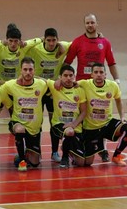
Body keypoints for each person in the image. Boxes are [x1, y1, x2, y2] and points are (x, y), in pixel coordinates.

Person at [63, 13, 120, 162]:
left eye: (92, 22)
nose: (90, 25)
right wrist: (63, 79)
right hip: (82, 86)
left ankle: (103, 150)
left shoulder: (105, 42)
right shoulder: (77, 42)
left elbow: (112, 63)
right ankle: (75, 146)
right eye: (87, 23)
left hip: (100, 86)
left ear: (97, 24)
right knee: (82, 115)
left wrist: (117, 80)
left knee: (101, 116)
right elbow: (67, 62)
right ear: (84, 25)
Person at [27, 28, 71, 163]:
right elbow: (24, 45)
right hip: (39, 90)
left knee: (54, 122)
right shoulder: (36, 49)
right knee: (36, 122)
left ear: (58, 40)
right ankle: (36, 151)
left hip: (54, 92)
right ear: (44, 39)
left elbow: (78, 43)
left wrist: (98, 35)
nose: (51, 43)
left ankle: (54, 152)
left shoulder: (64, 46)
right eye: (48, 40)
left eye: (54, 40)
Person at [2, 57, 47, 171]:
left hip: (34, 127)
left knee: (35, 163)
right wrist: (9, 105)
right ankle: (22, 160)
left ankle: (25, 154)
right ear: (20, 70)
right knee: (19, 130)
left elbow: (56, 84)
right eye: (25, 69)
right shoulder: (11, 85)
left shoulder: (41, 84)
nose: (28, 72)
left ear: (34, 71)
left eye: (30, 70)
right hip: (18, 122)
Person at [79, 63, 127, 166]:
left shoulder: (113, 86)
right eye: (96, 72)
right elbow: (69, 83)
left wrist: (122, 116)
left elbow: (118, 100)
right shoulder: (84, 84)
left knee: (126, 128)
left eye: (101, 72)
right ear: (91, 74)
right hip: (90, 128)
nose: (99, 74)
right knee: (86, 163)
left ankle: (116, 156)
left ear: (105, 74)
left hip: (107, 124)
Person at [48, 65, 87, 168]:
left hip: (75, 126)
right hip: (59, 124)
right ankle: (64, 157)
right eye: (65, 75)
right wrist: (56, 81)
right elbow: (40, 79)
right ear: (60, 76)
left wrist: (74, 124)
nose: (68, 78)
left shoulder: (80, 90)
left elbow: (84, 112)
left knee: (81, 163)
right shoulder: (55, 87)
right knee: (69, 132)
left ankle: (68, 149)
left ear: (74, 77)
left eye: (71, 75)